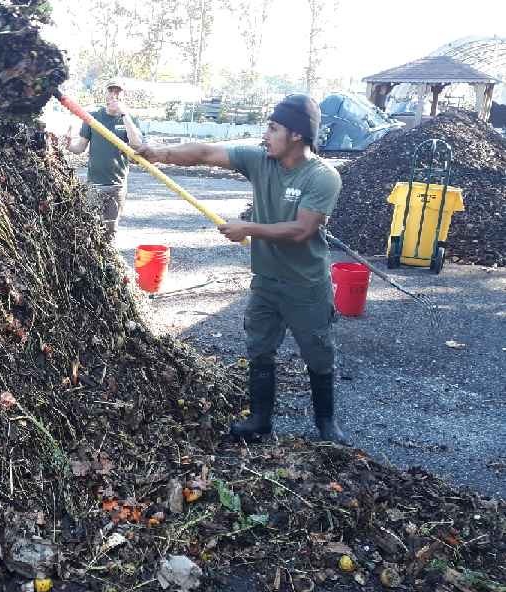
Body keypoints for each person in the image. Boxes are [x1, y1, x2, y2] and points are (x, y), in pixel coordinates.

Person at [138, 94, 348, 445]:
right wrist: (157, 153)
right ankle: (260, 419)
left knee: (318, 352)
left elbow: (302, 230)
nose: (265, 134)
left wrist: (247, 228)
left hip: (306, 285)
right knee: (260, 348)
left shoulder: (322, 177)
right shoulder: (261, 160)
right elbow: (206, 153)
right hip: (266, 282)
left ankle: (326, 423)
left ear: (297, 135)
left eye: (274, 127)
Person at [64, 79, 143, 239]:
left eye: (118, 92)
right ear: (105, 94)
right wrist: (68, 145)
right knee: (88, 228)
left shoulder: (130, 120)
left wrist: (124, 114)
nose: (114, 95)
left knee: (110, 231)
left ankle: (108, 262)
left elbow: (136, 144)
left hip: (117, 186)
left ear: (123, 95)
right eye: (111, 91)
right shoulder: (92, 117)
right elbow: (80, 148)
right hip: (94, 185)